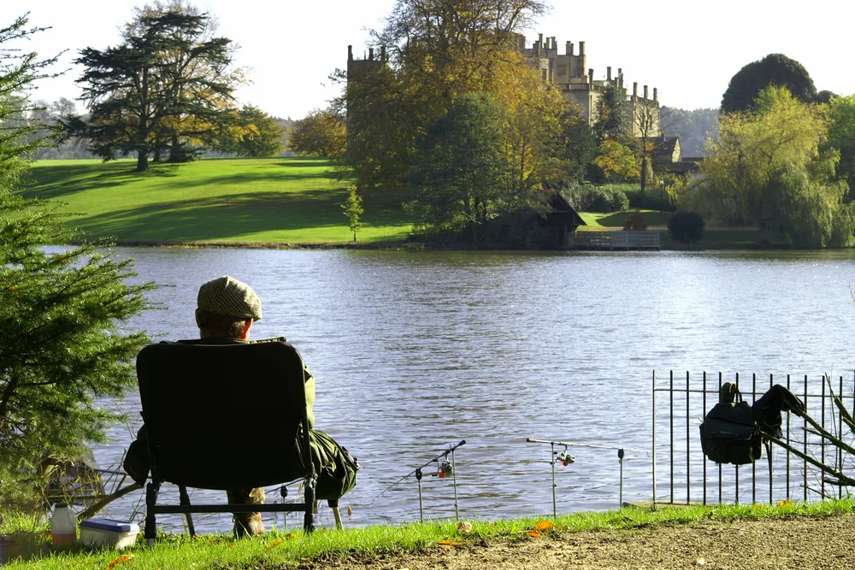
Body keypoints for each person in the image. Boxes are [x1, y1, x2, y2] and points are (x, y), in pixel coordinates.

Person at [123, 275, 358, 537]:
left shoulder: (164, 364)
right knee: (332, 454)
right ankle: (263, 522)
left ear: (199, 319)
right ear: (246, 326)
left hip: (186, 463)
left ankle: (247, 522)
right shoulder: (279, 362)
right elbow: (305, 423)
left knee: (228, 436)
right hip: (274, 461)